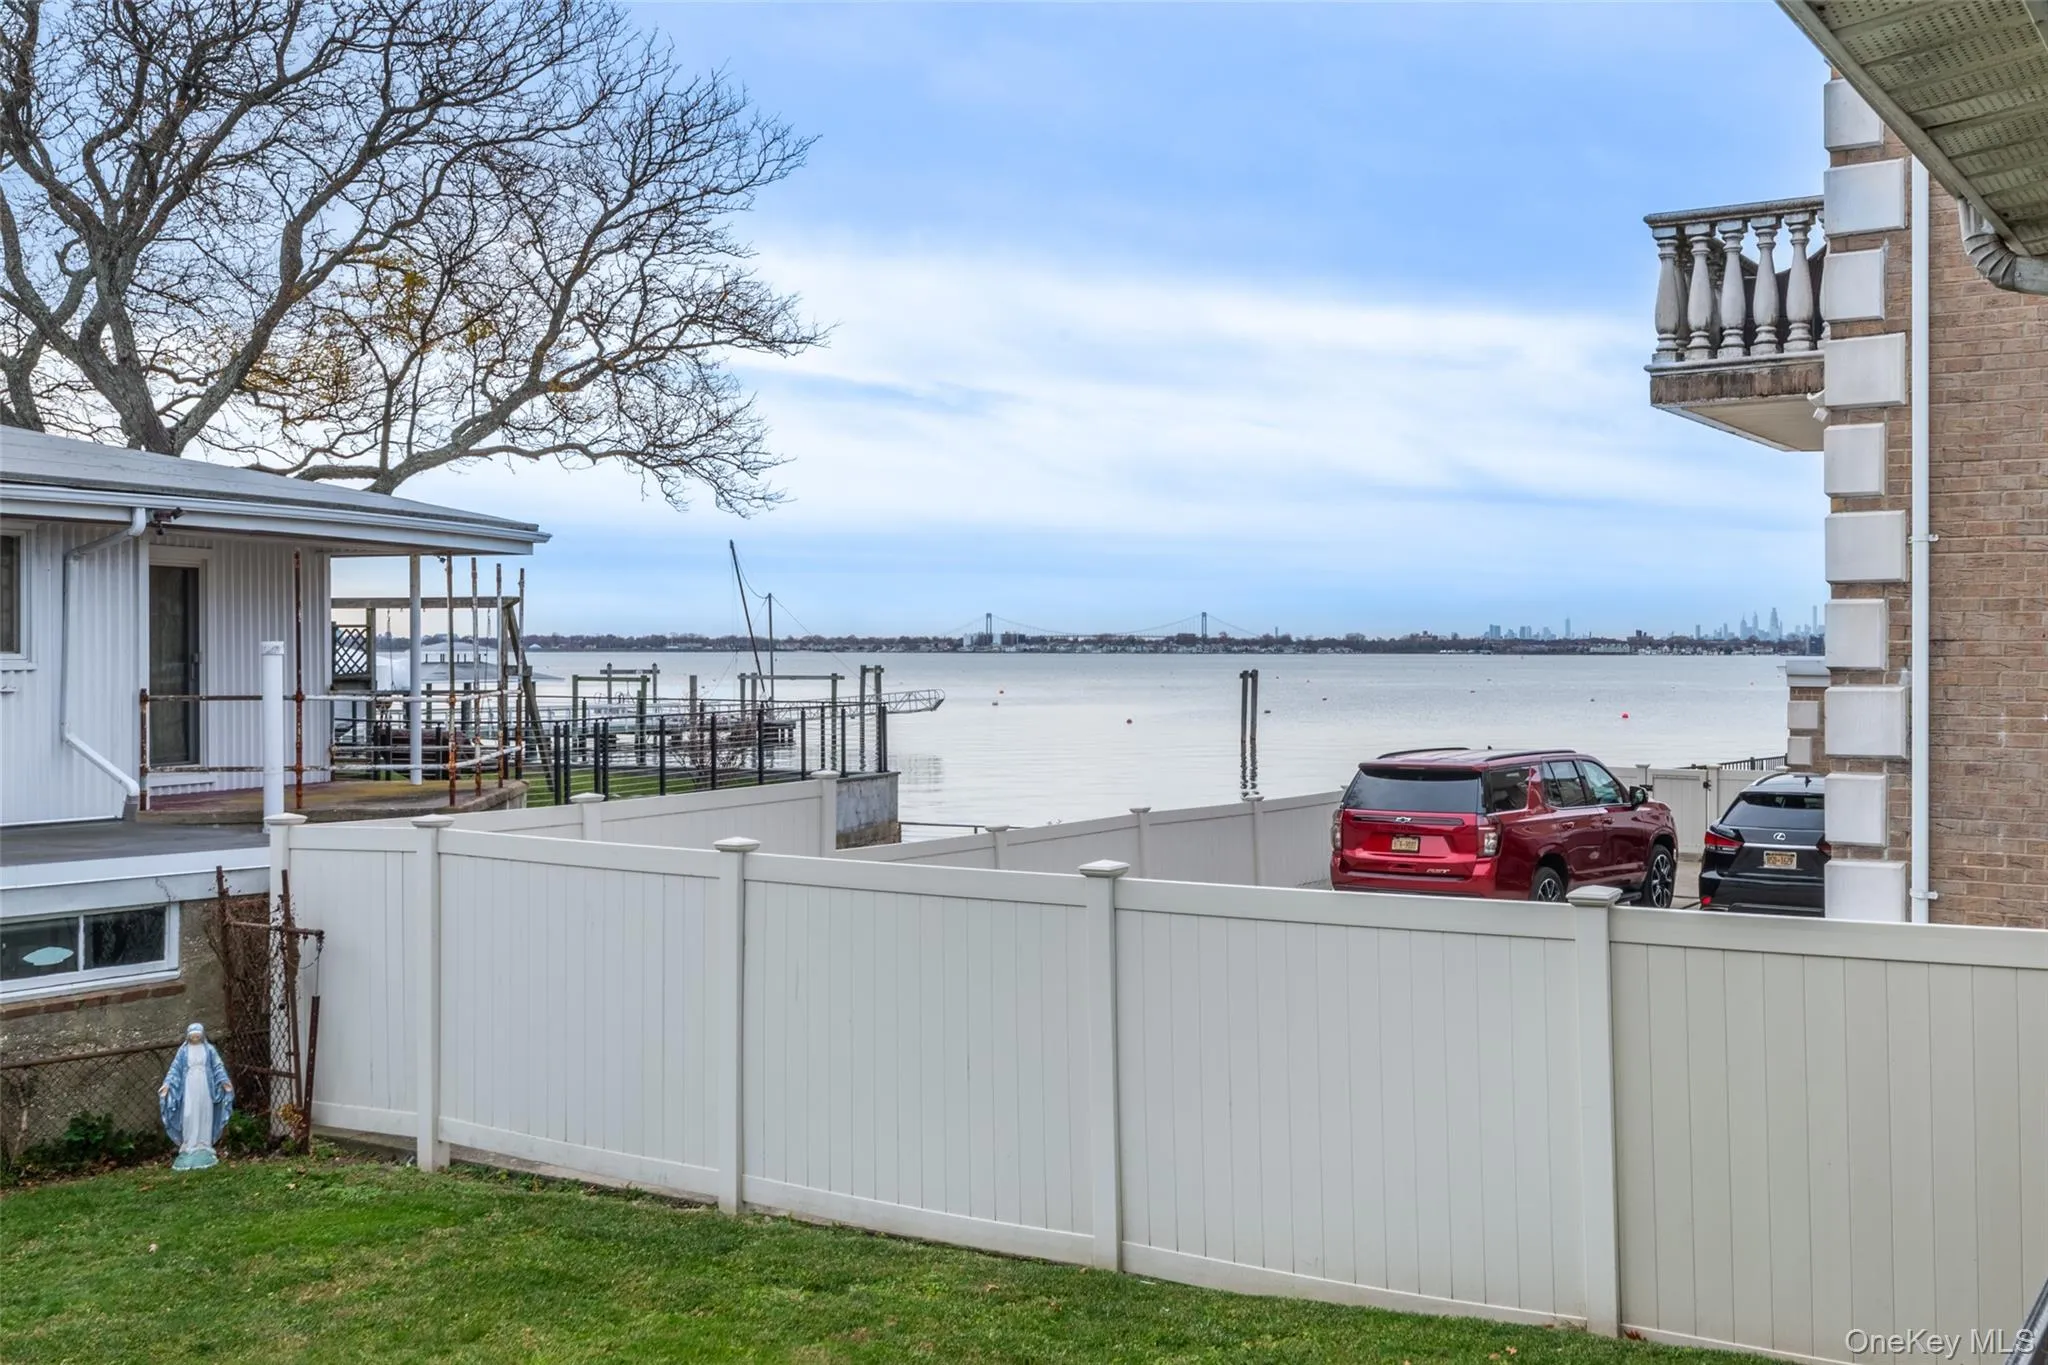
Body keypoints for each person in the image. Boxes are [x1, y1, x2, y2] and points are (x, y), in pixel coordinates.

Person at [159, 1022, 233, 1170]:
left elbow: (217, 1066)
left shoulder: (209, 1049)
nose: (195, 1038)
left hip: (205, 1085)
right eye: (192, 1036)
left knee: (205, 1111)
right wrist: (167, 1084)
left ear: (202, 1036)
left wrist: (224, 1081)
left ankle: (204, 1144)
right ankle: (189, 1143)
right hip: (189, 1085)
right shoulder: (183, 1051)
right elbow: (175, 1069)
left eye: (198, 1036)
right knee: (189, 1113)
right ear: (188, 1036)